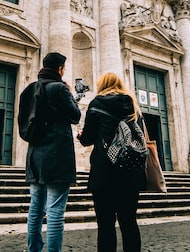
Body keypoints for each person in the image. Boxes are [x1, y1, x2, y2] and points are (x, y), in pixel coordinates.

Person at [77, 72, 146, 252]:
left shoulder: (97, 103)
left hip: (104, 172)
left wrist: (80, 136)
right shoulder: (133, 105)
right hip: (131, 172)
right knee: (129, 222)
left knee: (106, 223)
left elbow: (88, 138)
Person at [24, 52, 81, 252]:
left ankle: (34, 250)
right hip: (57, 155)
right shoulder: (59, 88)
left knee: (35, 209)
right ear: (60, 69)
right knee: (56, 210)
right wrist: (71, 93)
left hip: (35, 154)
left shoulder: (30, 88)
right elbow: (75, 115)